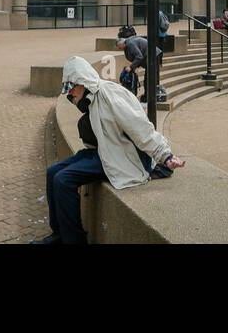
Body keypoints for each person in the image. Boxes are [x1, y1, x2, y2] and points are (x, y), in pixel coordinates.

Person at [35, 56, 185, 244]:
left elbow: (140, 128)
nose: (70, 93)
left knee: (63, 179)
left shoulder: (110, 94)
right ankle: (59, 235)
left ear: (83, 81)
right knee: (52, 172)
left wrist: (165, 155)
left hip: (123, 155)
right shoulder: (91, 97)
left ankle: (73, 240)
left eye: (72, 87)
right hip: (107, 150)